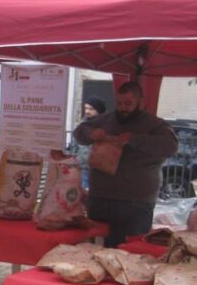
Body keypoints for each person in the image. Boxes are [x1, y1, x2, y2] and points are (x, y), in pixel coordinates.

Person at [73, 81, 178, 248]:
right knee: (95, 250)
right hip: (101, 198)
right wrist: (91, 133)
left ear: (140, 102)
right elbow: (79, 131)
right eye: (119, 103)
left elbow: (170, 146)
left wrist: (135, 139)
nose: (123, 108)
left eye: (128, 104)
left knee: (130, 251)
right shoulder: (105, 119)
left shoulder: (155, 124)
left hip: (135, 203)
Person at [71, 96, 107, 189]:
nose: (87, 111)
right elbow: (75, 145)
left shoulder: (106, 126)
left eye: (91, 109)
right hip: (82, 167)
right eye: (86, 108)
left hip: (98, 170)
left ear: (98, 110)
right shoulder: (82, 125)